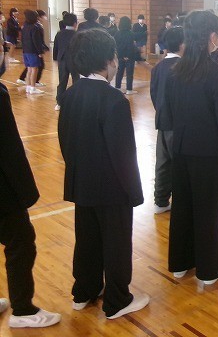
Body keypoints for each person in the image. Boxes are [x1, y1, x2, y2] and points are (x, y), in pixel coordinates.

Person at [58, 28, 149, 319]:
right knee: (116, 243)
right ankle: (117, 300)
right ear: (109, 60)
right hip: (112, 188)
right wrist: (134, 192)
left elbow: (64, 140)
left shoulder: (69, 95)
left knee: (87, 239)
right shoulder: (114, 100)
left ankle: (84, 291)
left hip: (81, 182)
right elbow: (124, 155)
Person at [165, 10, 218, 287]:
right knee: (208, 210)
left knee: (182, 207)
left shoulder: (175, 71)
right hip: (207, 153)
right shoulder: (216, 74)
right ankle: (209, 269)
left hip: (181, 150)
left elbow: (169, 113)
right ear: (210, 36)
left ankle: (180, 263)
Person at [0, 44, 61, 328]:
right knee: (21, 243)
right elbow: (9, 150)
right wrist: (26, 193)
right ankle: (23, 310)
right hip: (3, 191)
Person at [150, 27, 184, 214]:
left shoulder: (158, 67)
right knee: (180, 165)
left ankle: (160, 201)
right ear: (182, 44)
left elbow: (154, 94)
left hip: (162, 121)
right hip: (179, 124)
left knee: (162, 164)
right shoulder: (183, 67)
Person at [53, 12, 79, 111]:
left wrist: (55, 59)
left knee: (62, 81)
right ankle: (76, 101)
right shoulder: (78, 34)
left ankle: (59, 103)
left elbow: (55, 48)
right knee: (76, 81)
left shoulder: (59, 33)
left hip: (62, 60)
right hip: (74, 60)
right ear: (75, 23)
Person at [17, 10, 49, 88]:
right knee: (34, 69)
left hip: (26, 51)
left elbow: (22, 39)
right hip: (33, 51)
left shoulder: (25, 26)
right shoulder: (35, 27)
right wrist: (40, 52)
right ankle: (33, 87)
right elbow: (36, 41)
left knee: (30, 69)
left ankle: (28, 87)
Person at [114, 16, 138, 95]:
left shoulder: (117, 33)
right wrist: (127, 55)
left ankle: (117, 88)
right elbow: (130, 46)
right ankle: (129, 90)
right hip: (129, 56)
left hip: (120, 56)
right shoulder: (131, 34)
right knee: (129, 73)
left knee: (119, 72)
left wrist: (121, 55)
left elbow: (116, 46)